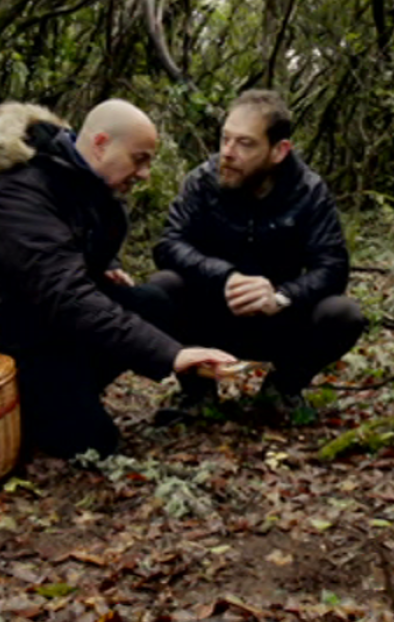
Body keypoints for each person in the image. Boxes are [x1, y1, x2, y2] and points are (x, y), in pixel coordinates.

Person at [0, 98, 236, 460]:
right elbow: (66, 293)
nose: (144, 174)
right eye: (138, 159)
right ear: (101, 144)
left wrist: (105, 263)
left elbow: (77, 239)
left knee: (156, 299)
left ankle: (71, 391)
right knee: (94, 443)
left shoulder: (86, 185)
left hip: (39, 321)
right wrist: (172, 354)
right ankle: (33, 406)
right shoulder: (17, 192)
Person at [149, 89, 366, 423]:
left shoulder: (309, 191)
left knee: (344, 313)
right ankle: (197, 394)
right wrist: (224, 277)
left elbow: (333, 266)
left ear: (279, 151)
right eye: (225, 139)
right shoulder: (202, 181)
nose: (228, 152)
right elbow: (169, 245)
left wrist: (281, 297)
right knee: (161, 287)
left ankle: (281, 392)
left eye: (245, 144)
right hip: (211, 317)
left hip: (277, 322)